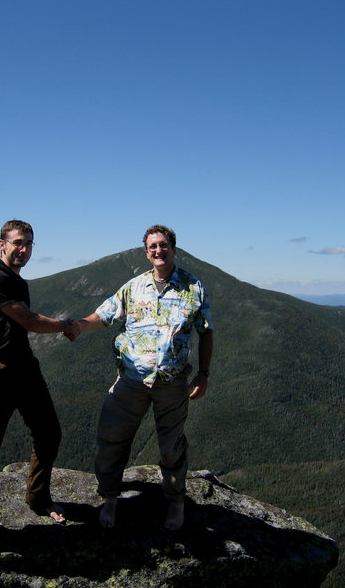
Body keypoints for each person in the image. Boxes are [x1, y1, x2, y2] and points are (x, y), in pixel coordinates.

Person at [67, 224, 213, 530]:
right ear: (146, 253)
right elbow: (103, 316)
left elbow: (206, 332)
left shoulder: (194, 288)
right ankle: (109, 497)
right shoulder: (133, 288)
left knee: (172, 446)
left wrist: (203, 373)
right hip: (130, 380)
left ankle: (175, 501)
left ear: (174, 248)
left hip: (172, 383)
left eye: (163, 245)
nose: (158, 251)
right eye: (152, 247)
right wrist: (79, 325)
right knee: (111, 439)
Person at [0, 219, 77, 555]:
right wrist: (66, 326)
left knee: (48, 432)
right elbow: (29, 320)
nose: (23, 249)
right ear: (1, 244)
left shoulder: (15, 281)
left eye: (28, 244)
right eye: (17, 243)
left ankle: (38, 499)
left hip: (24, 367)